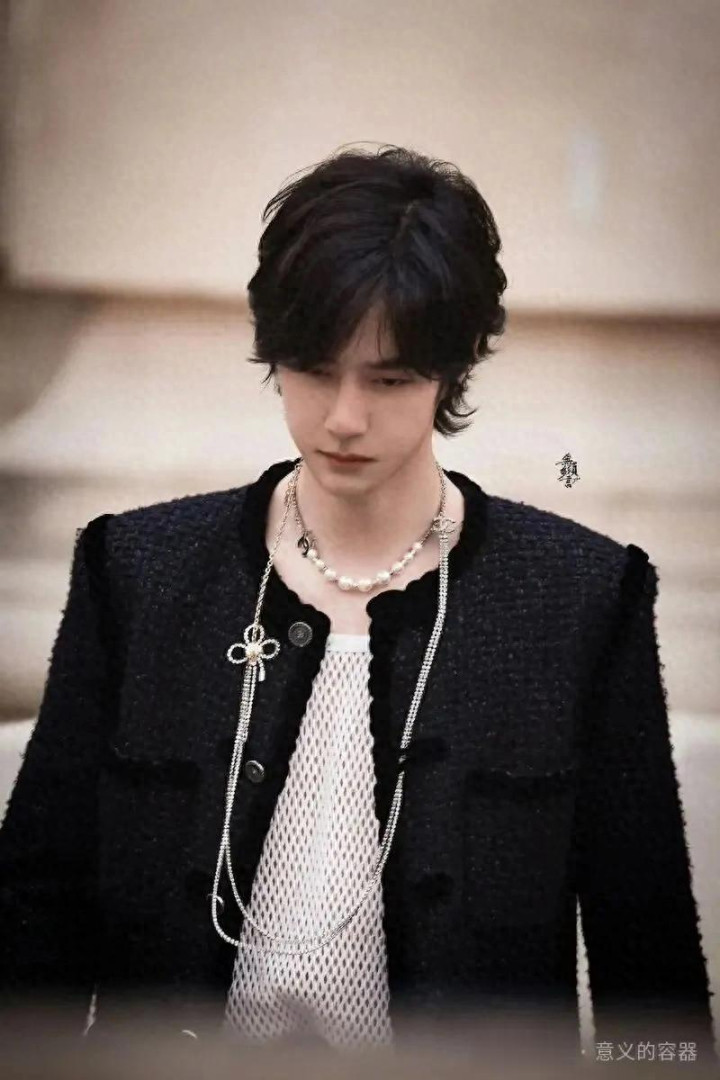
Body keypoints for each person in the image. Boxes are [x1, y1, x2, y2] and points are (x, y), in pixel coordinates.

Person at [0, 145, 715, 1068]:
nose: (343, 417)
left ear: (452, 370)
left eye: (389, 378)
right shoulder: (138, 572)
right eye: (313, 368)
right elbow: (35, 913)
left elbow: (648, 964)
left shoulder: (580, 597)